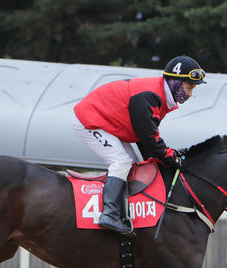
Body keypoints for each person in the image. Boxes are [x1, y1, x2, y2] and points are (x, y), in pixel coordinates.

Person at [72, 55, 206, 235]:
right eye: (189, 87)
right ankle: (109, 215)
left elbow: (146, 138)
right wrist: (170, 158)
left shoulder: (162, 97)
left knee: (135, 167)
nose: (189, 94)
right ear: (174, 82)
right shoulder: (149, 96)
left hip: (109, 123)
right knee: (122, 163)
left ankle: (125, 213)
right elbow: (149, 138)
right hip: (89, 120)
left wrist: (159, 160)